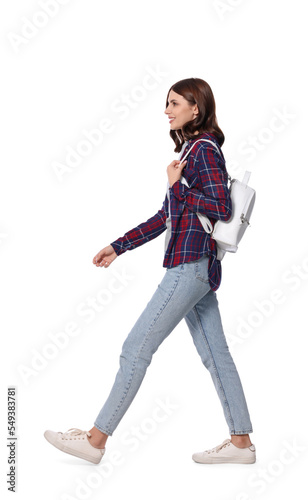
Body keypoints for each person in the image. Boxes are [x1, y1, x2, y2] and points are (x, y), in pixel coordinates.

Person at [44, 78, 256, 465]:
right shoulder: (190, 152)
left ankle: (95, 440)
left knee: (136, 348)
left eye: (175, 103)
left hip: (189, 268)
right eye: (167, 103)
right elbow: (165, 217)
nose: (167, 110)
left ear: (197, 108)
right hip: (197, 269)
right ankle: (241, 444)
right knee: (216, 354)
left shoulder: (204, 150)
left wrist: (177, 185)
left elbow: (221, 206)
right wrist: (118, 246)